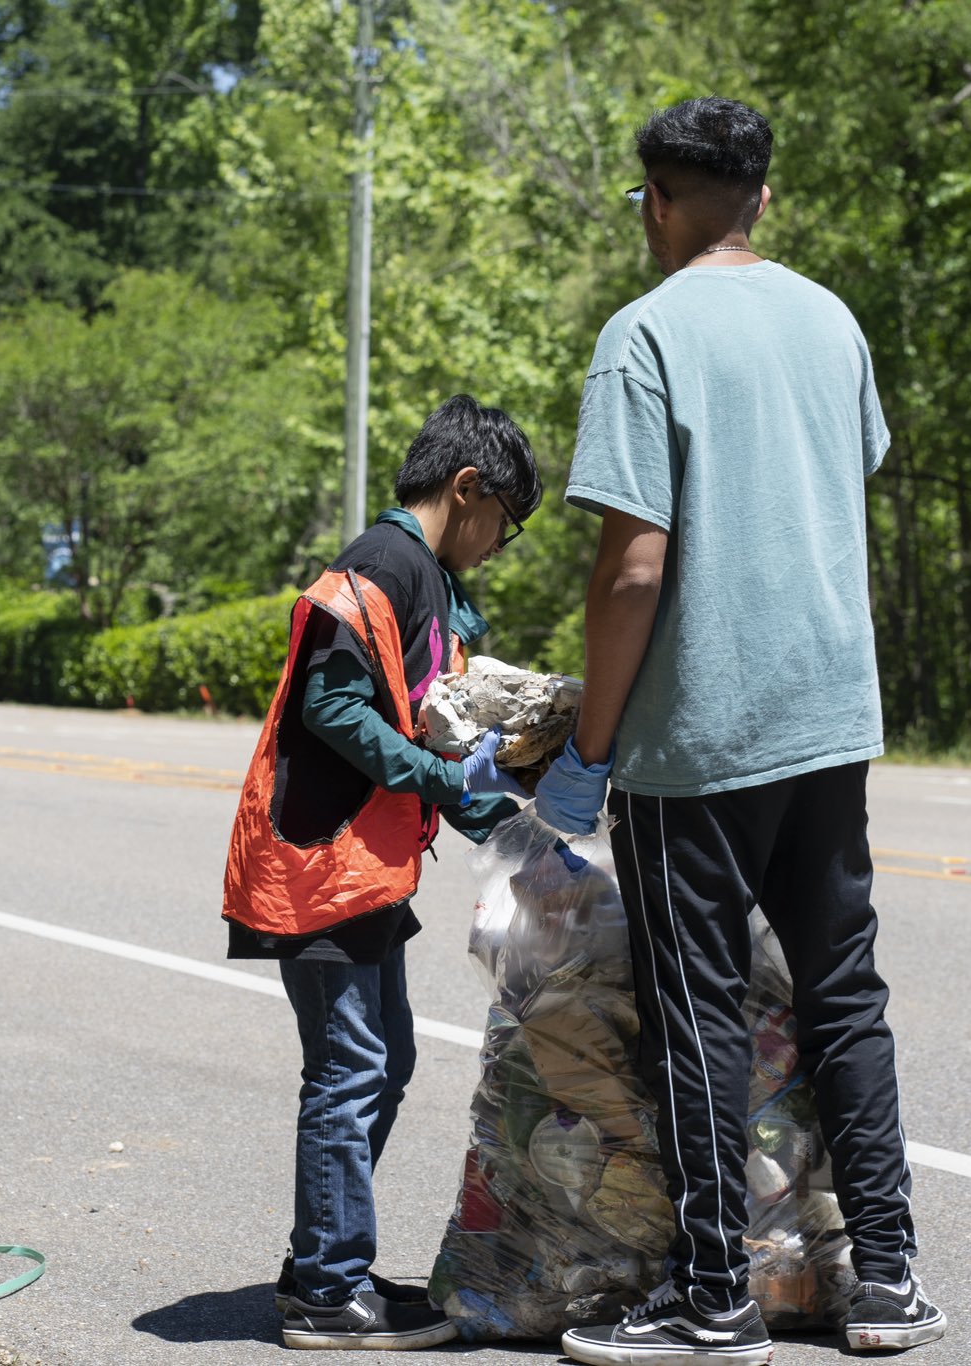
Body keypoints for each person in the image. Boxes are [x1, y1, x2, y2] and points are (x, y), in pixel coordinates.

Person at [534, 98, 945, 1363]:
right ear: (760, 198)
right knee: (843, 993)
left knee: (696, 1009)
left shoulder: (644, 334)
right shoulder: (830, 321)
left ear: (656, 202)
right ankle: (888, 1280)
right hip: (827, 717)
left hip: (697, 734)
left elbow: (633, 569)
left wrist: (589, 749)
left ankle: (712, 1295)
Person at [224, 395, 541, 1351]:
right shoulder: (385, 563)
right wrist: (448, 779)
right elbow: (333, 708)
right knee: (352, 1067)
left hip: (366, 869)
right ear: (467, 487)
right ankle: (327, 1292)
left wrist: (517, 830)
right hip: (318, 865)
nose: (498, 546)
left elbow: (423, 731)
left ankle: (325, 1263)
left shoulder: (425, 579)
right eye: (505, 524)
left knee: (382, 1060)